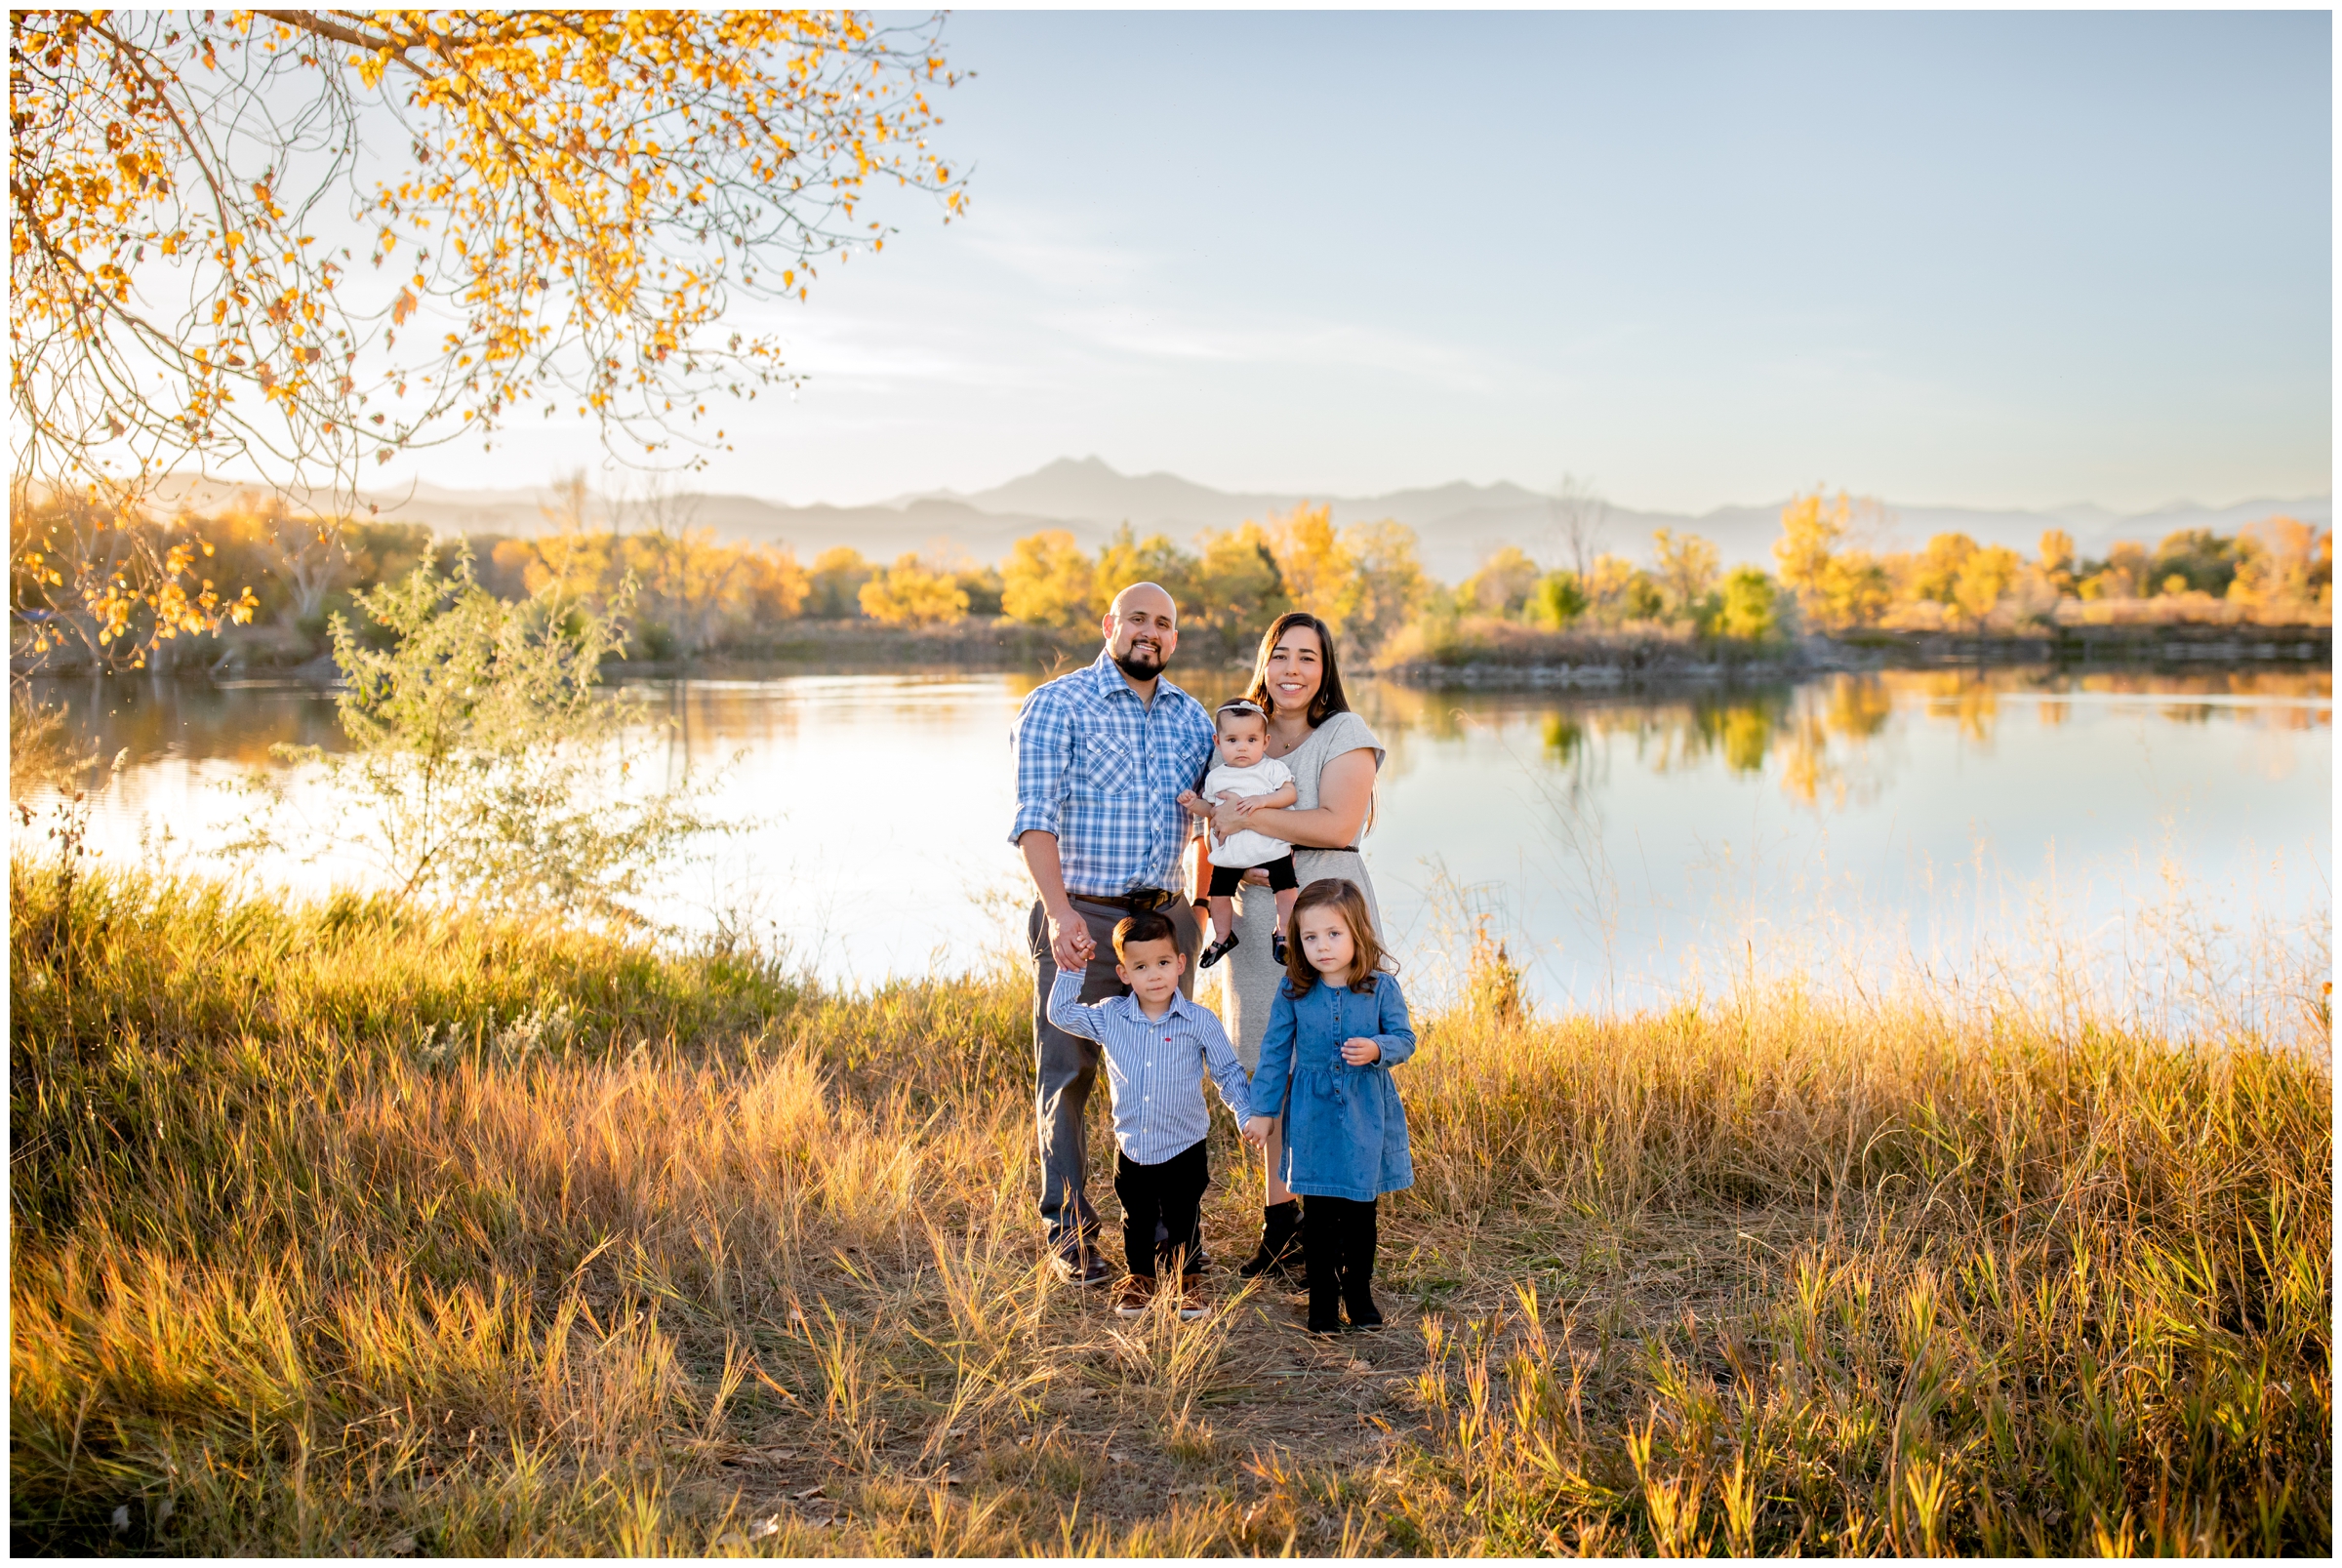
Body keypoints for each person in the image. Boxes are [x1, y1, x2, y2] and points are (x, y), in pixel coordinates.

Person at [1010, 582, 1219, 1288]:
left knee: (1167, 1072)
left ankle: (1165, 1226)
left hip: (1165, 920)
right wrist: (1060, 910)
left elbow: (1212, 823)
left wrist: (1207, 905)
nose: (1149, 633)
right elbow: (1032, 818)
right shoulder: (1055, 704)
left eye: (1164, 623)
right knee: (1068, 1073)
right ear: (1110, 625)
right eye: (1138, 619)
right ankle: (1070, 1232)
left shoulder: (1193, 720)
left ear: (1175, 640)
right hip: (1083, 915)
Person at [1186, 611, 1386, 1287]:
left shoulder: (1345, 734)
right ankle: (1281, 1225)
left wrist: (1243, 818)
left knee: (1329, 1063)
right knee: (1266, 1066)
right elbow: (1205, 829)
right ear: (1265, 663)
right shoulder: (1238, 738)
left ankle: (1332, 1226)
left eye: (1308, 656)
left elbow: (1336, 822)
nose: (1293, 668)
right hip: (1254, 919)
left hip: (1326, 907)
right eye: (1281, 655)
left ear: (1325, 669)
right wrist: (1220, 850)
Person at [1046, 911, 1258, 1319]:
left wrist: (1245, 1113)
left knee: (1183, 1216)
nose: (1155, 975)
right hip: (1134, 1144)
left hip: (1185, 1144)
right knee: (1136, 1217)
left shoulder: (1199, 1021)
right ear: (1124, 974)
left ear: (1180, 963)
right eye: (1141, 967)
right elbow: (1060, 1014)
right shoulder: (1110, 1016)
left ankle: (1186, 1280)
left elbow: (1227, 1073)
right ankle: (1140, 1278)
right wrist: (1074, 967)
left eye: (1163, 963)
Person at [1242, 878, 1415, 1335]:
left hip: (1365, 1114)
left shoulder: (1380, 988)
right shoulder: (1294, 991)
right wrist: (1263, 1112)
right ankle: (1322, 1302)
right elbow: (1275, 1053)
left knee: (1360, 1213)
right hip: (1313, 1117)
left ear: (1357, 932)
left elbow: (1405, 1040)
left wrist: (1378, 1048)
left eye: (1333, 934)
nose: (1321, 946)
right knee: (1318, 1214)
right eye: (1310, 937)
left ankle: (1358, 1296)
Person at [1178, 699, 1300, 971]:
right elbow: (1211, 810)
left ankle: (1284, 932)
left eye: (1251, 739)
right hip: (1231, 853)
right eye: (1232, 740)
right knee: (1219, 896)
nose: (1242, 746)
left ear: (1265, 742)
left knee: (1287, 891)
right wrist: (1192, 803)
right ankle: (1223, 936)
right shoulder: (1217, 777)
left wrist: (1262, 800)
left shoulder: (1270, 768)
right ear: (1218, 742)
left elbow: (1289, 793)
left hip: (1272, 848)